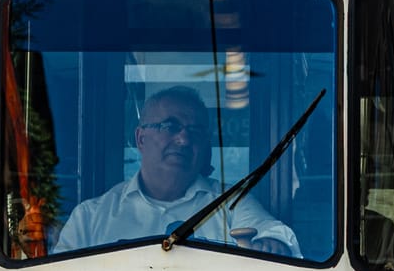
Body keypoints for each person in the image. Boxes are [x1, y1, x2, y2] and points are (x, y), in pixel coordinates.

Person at [55, 85, 299, 256]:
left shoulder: (232, 203)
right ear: (141, 139)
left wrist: (272, 243)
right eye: (170, 126)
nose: (183, 139)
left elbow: (275, 233)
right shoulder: (90, 217)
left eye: (195, 131)